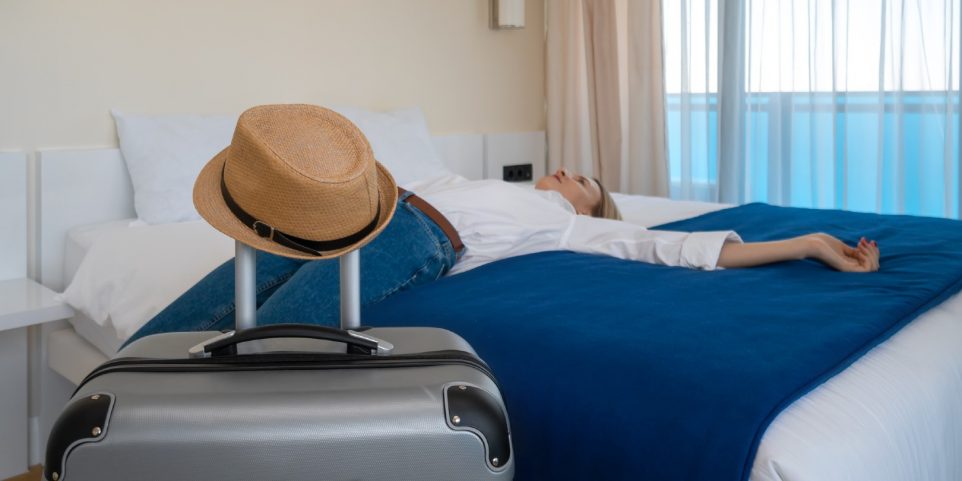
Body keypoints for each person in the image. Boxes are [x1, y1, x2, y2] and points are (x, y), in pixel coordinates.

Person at [124, 105, 880, 347]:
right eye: (567, 170)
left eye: (582, 179)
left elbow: (672, 247)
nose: (564, 173)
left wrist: (812, 244)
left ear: (589, 204)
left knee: (276, 340)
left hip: (411, 238)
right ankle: (107, 401)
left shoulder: (564, 226)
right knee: (212, 301)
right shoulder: (471, 177)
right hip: (352, 211)